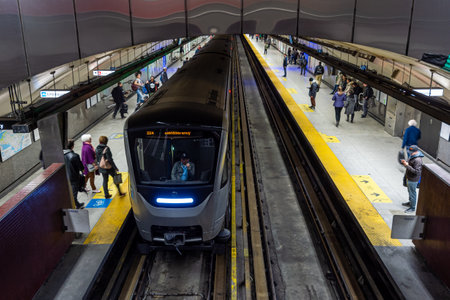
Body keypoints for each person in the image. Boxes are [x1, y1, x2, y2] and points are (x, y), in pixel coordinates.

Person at [401, 145, 424, 213]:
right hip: (409, 177)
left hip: (413, 179)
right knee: (410, 192)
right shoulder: (412, 156)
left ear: (416, 152)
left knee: (412, 193)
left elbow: (416, 172)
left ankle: (412, 208)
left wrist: (407, 165)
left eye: (411, 152)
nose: (410, 153)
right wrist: (405, 163)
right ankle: (410, 203)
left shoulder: (418, 160)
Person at [63, 139, 85, 209]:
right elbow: (81, 167)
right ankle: (76, 205)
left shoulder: (62, 155)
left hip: (65, 176)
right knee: (74, 193)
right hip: (73, 177)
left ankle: (77, 204)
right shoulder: (75, 156)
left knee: (70, 192)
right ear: (72, 146)